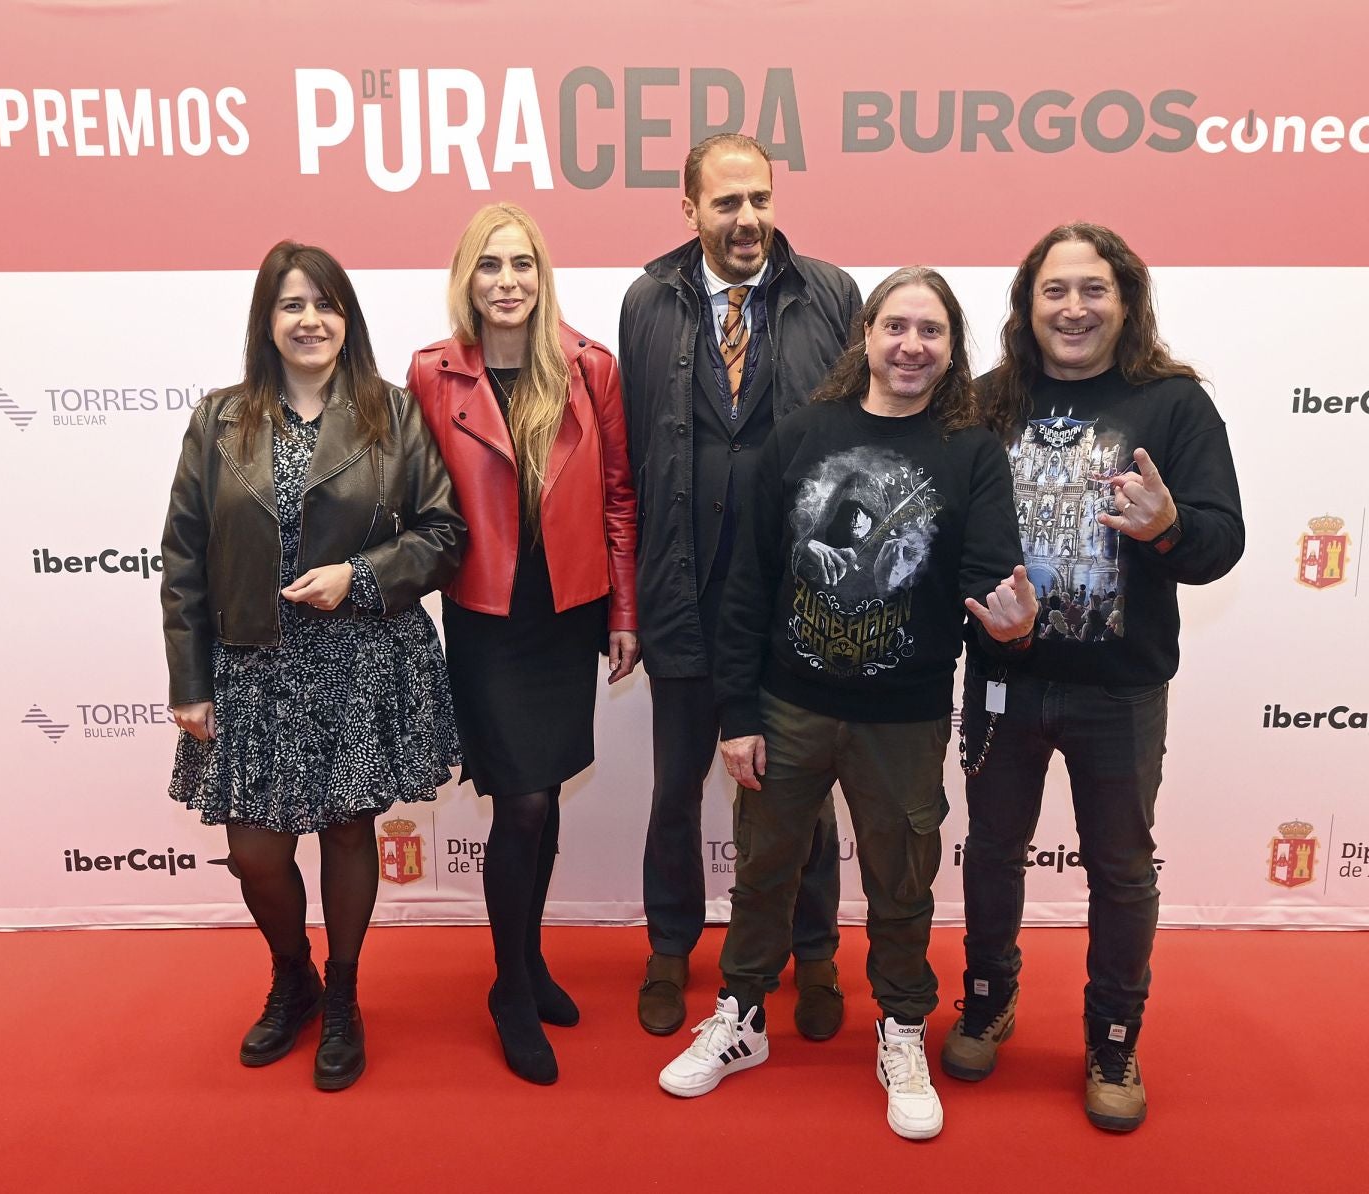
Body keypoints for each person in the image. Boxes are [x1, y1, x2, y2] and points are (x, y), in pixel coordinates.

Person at [656, 267, 1036, 1142]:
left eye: (931, 332)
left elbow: (989, 578)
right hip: (787, 704)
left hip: (904, 715)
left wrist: (1013, 622)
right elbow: (749, 581)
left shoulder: (970, 451)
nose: (911, 346)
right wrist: (737, 713)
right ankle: (740, 1018)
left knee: (901, 883)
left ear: (951, 348)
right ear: (865, 335)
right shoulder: (802, 438)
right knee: (763, 873)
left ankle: (902, 1026)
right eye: (896, 326)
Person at [945, 222, 1245, 1132]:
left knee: (1120, 869)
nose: (1073, 308)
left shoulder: (1174, 405)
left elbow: (1221, 542)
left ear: (1125, 301)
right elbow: (943, 530)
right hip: (1005, 679)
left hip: (1120, 689)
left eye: (1093, 290)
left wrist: (1165, 527)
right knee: (991, 851)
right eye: (1054, 291)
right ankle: (989, 995)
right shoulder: (986, 402)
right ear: (1027, 305)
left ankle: (1114, 1035)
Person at [160, 240, 464, 1091]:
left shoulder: (392, 414)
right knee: (257, 853)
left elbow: (443, 536)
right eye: (291, 305)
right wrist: (188, 681)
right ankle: (292, 973)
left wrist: (360, 577)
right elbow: (183, 555)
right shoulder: (218, 419)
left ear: (346, 318)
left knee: (345, 830)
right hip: (251, 666)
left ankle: (343, 997)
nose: (309, 320)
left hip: (358, 654)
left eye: (324, 304)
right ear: (267, 321)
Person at [618, 133, 862, 1040]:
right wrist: (632, 603)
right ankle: (670, 952)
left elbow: (858, 451)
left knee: (802, 789)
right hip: (684, 588)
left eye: (759, 198)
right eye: (726, 203)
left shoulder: (832, 294)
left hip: (799, 599)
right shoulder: (647, 301)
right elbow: (632, 461)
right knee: (674, 789)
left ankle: (819, 954)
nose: (748, 218)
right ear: (689, 209)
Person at [407, 203, 639, 1085]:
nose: (508, 281)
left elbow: (620, 495)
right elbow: (425, 504)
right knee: (525, 803)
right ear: (467, 278)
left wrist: (624, 613)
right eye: (491, 266)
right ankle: (510, 986)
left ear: (543, 277)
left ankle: (529, 962)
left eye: (524, 265)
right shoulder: (432, 373)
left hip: (567, 610)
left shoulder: (588, 367)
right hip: (486, 615)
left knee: (540, 798)